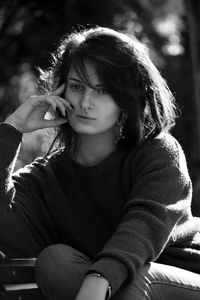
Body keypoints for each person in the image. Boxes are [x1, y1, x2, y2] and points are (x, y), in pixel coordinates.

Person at [0, 25, 200, 300]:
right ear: (61, 92)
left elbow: (144, 225)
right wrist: (12, 128)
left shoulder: (157, 151)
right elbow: (7, 226)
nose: (85, 102)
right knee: (55, 261)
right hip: (105, 291)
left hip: (179, 279)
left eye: (103, 90)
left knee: (135, 278)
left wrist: (100, 276)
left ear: (125, 98)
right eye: (76, 87)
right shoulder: (46, 179)